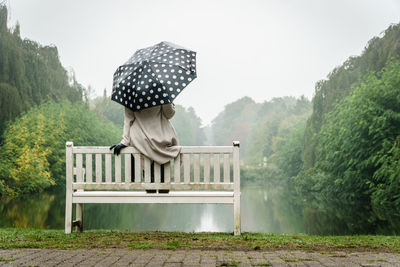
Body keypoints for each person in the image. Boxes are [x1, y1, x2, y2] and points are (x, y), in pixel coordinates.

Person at [110, 103, 181, 193]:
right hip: (160, 136)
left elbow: (128, 120)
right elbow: (169, 114)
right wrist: (169, 102)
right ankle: (162, 182)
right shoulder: (160, 94)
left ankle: (150, 181)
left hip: (140, 139)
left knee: (142, 151)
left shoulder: (132, 96)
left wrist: (124, 141)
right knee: (161, 150)